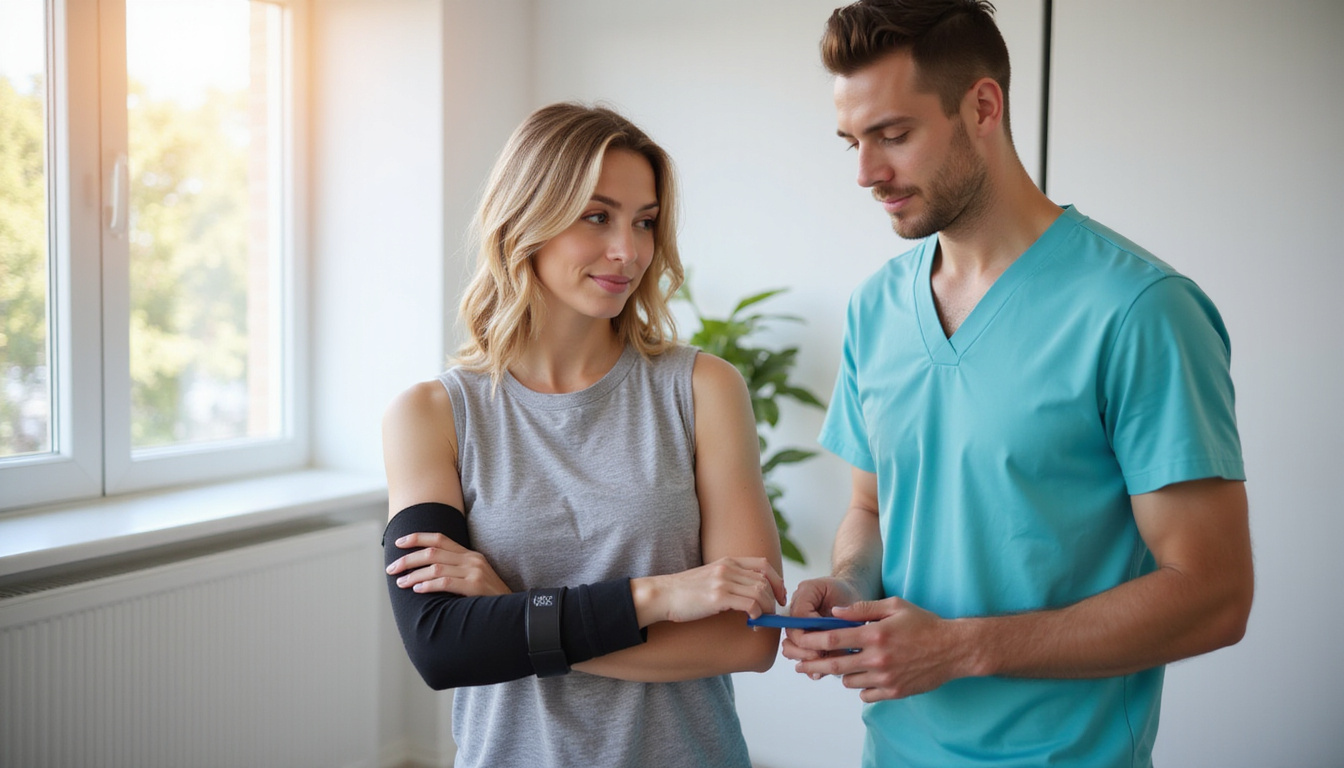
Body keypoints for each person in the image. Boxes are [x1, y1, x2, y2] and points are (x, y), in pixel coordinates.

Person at [780, 2, 1254, 766]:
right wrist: (846, 584)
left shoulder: (1140, 310)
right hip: (893, 752)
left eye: (893, 136)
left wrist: (963, 649)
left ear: (983, 106)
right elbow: (871, 505)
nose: (866, 173)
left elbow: (1213, 594)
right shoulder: (876, 307)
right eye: (853, 142)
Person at [380, 102, 786, 768]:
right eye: (596, 216)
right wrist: (661, 596)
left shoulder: (704, 389)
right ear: (525, 219)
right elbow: (443, 645)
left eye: (645, 222)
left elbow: (747, 639)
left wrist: (515, 613)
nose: (628, 250)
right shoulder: (430, 415)